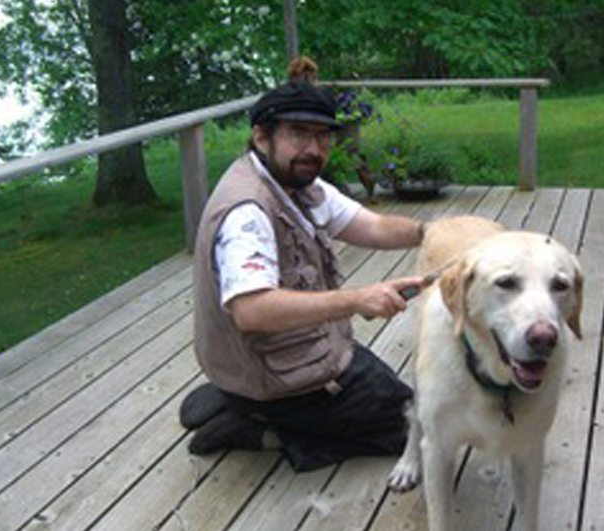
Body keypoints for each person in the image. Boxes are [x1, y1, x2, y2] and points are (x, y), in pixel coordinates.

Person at [180, 78, 426, 472]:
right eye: (298, 134)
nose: (314, 150)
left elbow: (373, 227)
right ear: (262, 135)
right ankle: (259, 428)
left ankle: (238, 397)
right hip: (283, 378)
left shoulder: (297, 183)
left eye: (323, 136)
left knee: (388, 389)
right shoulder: (247, 213)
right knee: (419, 427)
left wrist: (434, 234)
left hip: (294, 355)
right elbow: (252, 310)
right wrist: (359, 299)